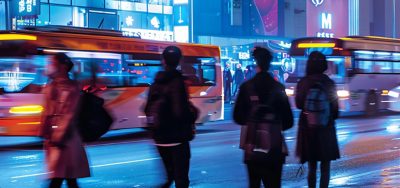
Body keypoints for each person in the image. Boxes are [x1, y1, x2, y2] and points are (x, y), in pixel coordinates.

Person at [233, 47, 294, 188]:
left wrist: (252, 120)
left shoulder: (246, 87)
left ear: (256, 64)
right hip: (274, 147)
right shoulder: (278, 87)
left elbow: (237, 117)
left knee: (254, 184)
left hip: (252, 145)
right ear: (270, 64)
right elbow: (289, 121)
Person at [145, 46, 196, 188]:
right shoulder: (179, 82)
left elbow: (147, 109)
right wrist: (193, 114)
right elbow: (180, 112)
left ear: (163, 61)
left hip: (160, 139)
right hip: (178, 139)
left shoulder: (155, 83)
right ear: (179, 60)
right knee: (181, 180)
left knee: (170, 177)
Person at [39, 53, 90, 188]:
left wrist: (58, 135)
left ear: (63, 66)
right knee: (66, 175)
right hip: (54, 137)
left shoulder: (71, 87)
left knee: (60, 174)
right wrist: (44, 131)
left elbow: (69, 113)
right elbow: (46, 111)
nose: (49, 66)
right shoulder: (51, 85)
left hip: (66, 136)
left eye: (53, 63)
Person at [295, 51, 340, 188]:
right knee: (325, 168)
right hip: (326, 129)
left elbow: (298, 105)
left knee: (312, 167)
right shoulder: (329, 83)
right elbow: (335, 110)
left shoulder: (303, 83)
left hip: (308, 130)